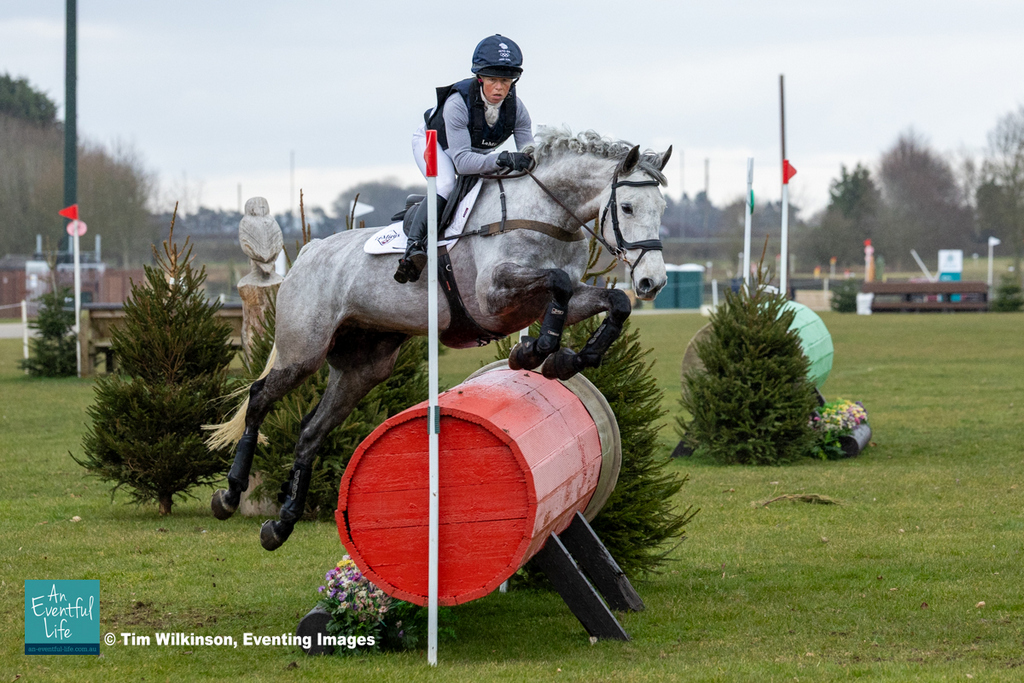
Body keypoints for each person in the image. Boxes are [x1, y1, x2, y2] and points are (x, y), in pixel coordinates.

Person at [395, 34, 536, 284]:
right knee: (446, 183)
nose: (499, 88)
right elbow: (463, 163)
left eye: (506, 81)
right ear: (480, 77)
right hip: (433, 142)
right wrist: (503, 158)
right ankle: (413, 248)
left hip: (471, 149)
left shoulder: (517, 109)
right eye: (492, 80)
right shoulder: (457, 103)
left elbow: (528, 155)